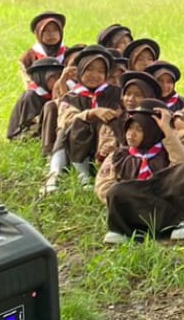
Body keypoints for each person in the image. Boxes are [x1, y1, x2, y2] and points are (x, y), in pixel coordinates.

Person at [96, 101, 184, 245]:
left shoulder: (169, 149)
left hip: (166, 204)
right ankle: (129, 229)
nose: (131, 134)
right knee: (116, 190)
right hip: (135, 205)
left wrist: (167, 129)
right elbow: (103, 185)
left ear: (152, 131)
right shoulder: (119, 155)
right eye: (129, 128)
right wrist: (139, 197)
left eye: (139, 130)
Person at [49, 46, 120, 192]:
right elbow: (66, 118)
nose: (95, 75)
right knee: (71, 127)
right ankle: (63, 174)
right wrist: (91, 113)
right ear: (80, 71)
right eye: (89, 69)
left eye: (101, 71)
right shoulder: (72, 96)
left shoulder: (115, 93)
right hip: (75, 143)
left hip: (105, 143)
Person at [8, 57, 64, 143]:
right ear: (41, 76)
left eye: (60, 77)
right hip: (25, 136)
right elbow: (28, 126)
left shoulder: (52, 92)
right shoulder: (31, 96)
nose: (58, 81)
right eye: (53, 77)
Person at [20, 12, 67, 81]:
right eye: (46, 31)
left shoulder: (69, 54)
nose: (51, 34)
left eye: (55, 30)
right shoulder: (29, 57)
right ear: (38, 33)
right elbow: (27, 81)